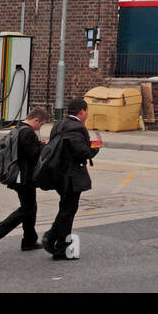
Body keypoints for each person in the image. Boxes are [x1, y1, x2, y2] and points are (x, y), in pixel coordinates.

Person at [0, 107, 51, 254]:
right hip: (23, 177)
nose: (40, 127)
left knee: (30, 207)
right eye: (41, 124)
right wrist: (44, 146)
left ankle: (29, 240)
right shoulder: (27, 132)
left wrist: (39, 144)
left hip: (19, 175)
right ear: (36, 120)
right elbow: (33, 154)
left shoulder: (18, 128)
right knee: (27, 208)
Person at [42, 98, 98, 261]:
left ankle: (55, 240)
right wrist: (93, 150)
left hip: (59, 174)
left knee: (66, 208)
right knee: (68, 211)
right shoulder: (76, 127)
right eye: (86, 111)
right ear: (81, 111)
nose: (87, 115)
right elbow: (80, 151)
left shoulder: (59, 124)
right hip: (70, 176)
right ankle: (58, 245)